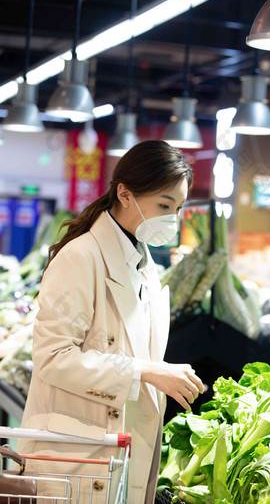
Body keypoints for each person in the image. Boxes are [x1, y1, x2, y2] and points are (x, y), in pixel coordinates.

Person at [17, 140, 204, 504]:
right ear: (124, 194)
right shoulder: (81, 256)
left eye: (178, 209)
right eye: (164, 206)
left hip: (116, 454)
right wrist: (144, 372)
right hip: (77, 461)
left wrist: (149, 371)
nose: (172, 220)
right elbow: (53, 358)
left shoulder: (145, 265)